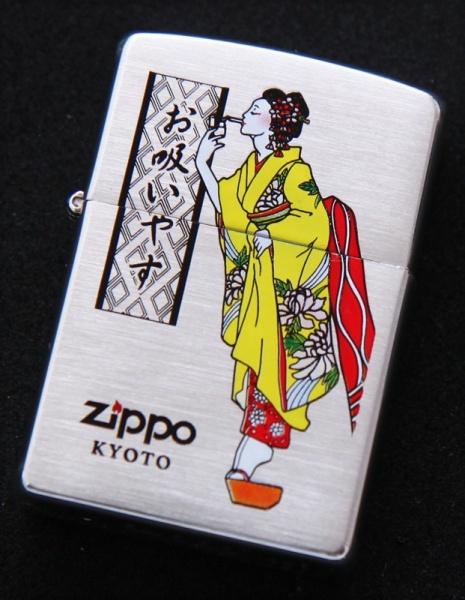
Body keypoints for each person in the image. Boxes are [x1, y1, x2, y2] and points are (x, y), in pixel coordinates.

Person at [196, 89, 339, 503]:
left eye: (254, 110)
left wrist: (272, 235)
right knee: (264, 373)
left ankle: (248, 460)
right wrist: (204, 162)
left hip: (281, 292)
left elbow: (314, 224)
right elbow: (230, 210)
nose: (244, 114)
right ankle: (246, 461)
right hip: (259, 288)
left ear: (273, 123)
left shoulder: (295, 170)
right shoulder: (249, 168)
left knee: (276, 372)